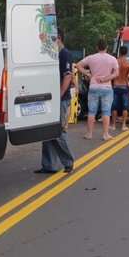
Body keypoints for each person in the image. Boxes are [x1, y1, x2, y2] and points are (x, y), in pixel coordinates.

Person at [35, 29, 75, 173]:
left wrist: (59, 95)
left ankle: (68, 162)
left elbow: (68, 76)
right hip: (51, 98)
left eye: (51, 39)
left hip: (60, 99)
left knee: (58, 132)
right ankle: (49, 165)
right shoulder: (54, 55)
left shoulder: (65, 54)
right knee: (47, 132)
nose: (49, 42)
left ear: (58, 38)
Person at [76, 38, 118, 140]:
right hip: (107, 87)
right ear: (107, 47)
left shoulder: (91, 58)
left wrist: (87, 73)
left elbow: (78, 65)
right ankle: (105, 134)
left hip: (93, 86)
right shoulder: (112, 59)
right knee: (106, 111)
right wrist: (106, 78)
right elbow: (116, 73)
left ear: (97, 47)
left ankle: (89, 134)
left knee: (91, 111)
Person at [111, 45, 129, 132]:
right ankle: (123, 125)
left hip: (115, 86)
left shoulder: (115, 62)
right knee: (125, 107)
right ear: (126, 53)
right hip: (124, 86)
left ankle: (113, 125)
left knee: (114, 107)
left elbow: (112, 74)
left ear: (119, 52)